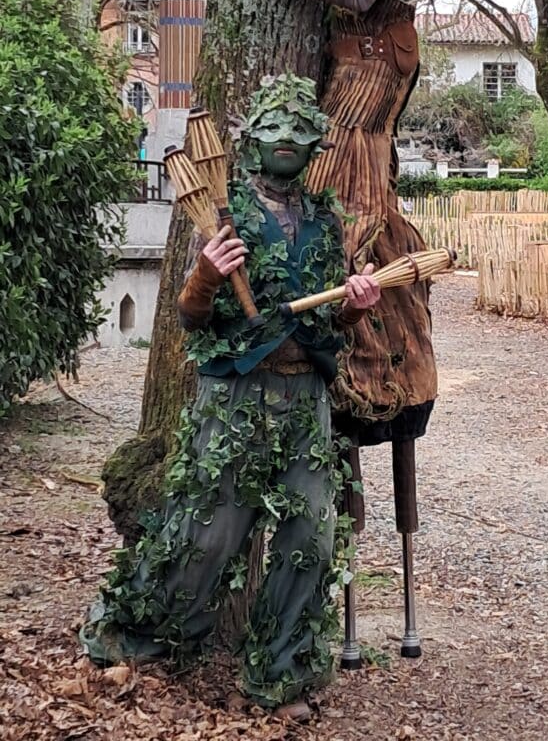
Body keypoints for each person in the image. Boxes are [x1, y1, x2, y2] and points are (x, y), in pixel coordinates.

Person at [80, 74, 381, 722]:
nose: (284, 142)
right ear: (250, 140)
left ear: (314, 145)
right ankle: (138, 640)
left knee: (312, 535)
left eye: (298, 132)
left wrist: (356, 305)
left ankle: (276, 674)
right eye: (272, 129)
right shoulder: (224, 212)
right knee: (210, 535)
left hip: (306, 403)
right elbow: (191, 317)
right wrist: (207, 273)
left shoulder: (326, 224)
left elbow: (333, 325)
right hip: (236, 399)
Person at [231, 0, 446, 443]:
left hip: (374, 66)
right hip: (356, 58)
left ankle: (361, 372)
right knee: (355, 193)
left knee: (345, 196)